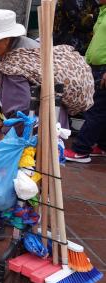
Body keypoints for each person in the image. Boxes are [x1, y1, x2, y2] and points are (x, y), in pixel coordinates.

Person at [0, 10, 94, 239]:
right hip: (50, 122)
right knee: (33, 179)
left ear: (4, 40)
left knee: (5, 174)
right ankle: (21, 221)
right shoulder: (32, 47)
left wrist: (5, 138)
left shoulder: (14, 66)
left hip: (29, 129)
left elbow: (19, 110)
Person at [65, 0, 106, 163]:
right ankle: (103, 146)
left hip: (104, 68)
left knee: (95, 110)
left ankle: (80, 150)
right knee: (101, 109)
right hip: (97, 67)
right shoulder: (102, 10)